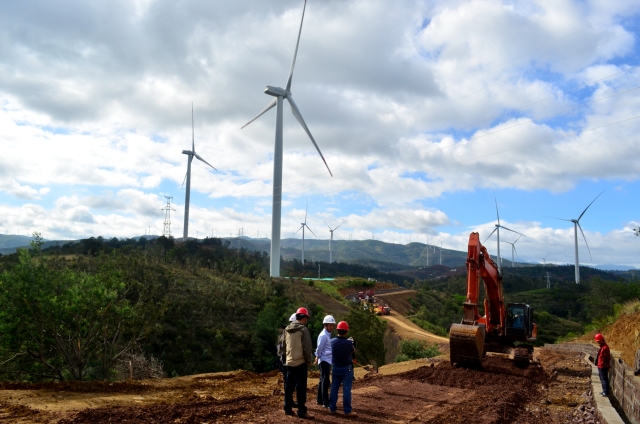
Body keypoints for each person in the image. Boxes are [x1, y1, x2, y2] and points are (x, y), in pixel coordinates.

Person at [283, 307, 314, 419]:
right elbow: (307, 347)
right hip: (300, 362)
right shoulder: (303, 330)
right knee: (300, 388)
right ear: (304, 318)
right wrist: (308, 361)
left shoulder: (287, 329)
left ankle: (287, 408)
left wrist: (287, 358)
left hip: (289, 362)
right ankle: (302, 411)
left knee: (289, 387)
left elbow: (284, 346)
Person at [329, 321, 357, 418]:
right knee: (346, 390)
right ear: (346, 331)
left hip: (335, 367)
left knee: (334, 388)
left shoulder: (331, 341)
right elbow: (353, 351)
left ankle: (332, 408)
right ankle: (347, 411)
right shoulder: (349, 343)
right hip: (346, 369)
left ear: (337, 330)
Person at [315, 315, 335, 408]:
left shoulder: (327, 334)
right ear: (325, 325)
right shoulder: (323, 335)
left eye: (332, 325)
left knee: (322, 380)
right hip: (324, 360)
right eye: (330, 325)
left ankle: (319, 400)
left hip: (326, 360)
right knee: (325, 381)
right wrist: (317, 356)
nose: (332, 327)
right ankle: (325, 402)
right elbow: (319, 348)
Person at [277, 313, 298, 396]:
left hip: (284, 359)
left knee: (288, 379)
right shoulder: (288, 333)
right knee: (289, 380)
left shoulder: (285, 332)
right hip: (286, 359)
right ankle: (289, 399)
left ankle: (288, 398)